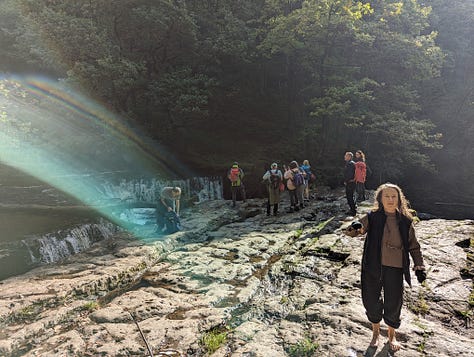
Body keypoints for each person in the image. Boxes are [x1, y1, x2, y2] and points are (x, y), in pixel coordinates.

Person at [344, 183, 426, 352]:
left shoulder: (405, 221)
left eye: (393, 196)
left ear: (399, 199)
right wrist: (354, 227)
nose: (390, 199)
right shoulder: (372, 217)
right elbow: (352, 231)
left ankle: (391, 334)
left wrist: (419, 266)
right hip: (373, 266)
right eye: (386, 196)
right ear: (380, 199)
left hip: (395, 268)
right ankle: (375, 333)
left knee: (394, 302)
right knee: (371, 300)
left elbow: (413, 246)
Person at [343, 151, 357, 216]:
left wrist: (346, 181)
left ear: (349, 157)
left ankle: (353, 211)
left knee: (349, 197)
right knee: (351, 196)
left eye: (346, 156)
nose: (344, 157)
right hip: (351, 182)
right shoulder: (351, 163)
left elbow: (350, 174)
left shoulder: (350, 164)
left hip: (350, 183)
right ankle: (352, 209)